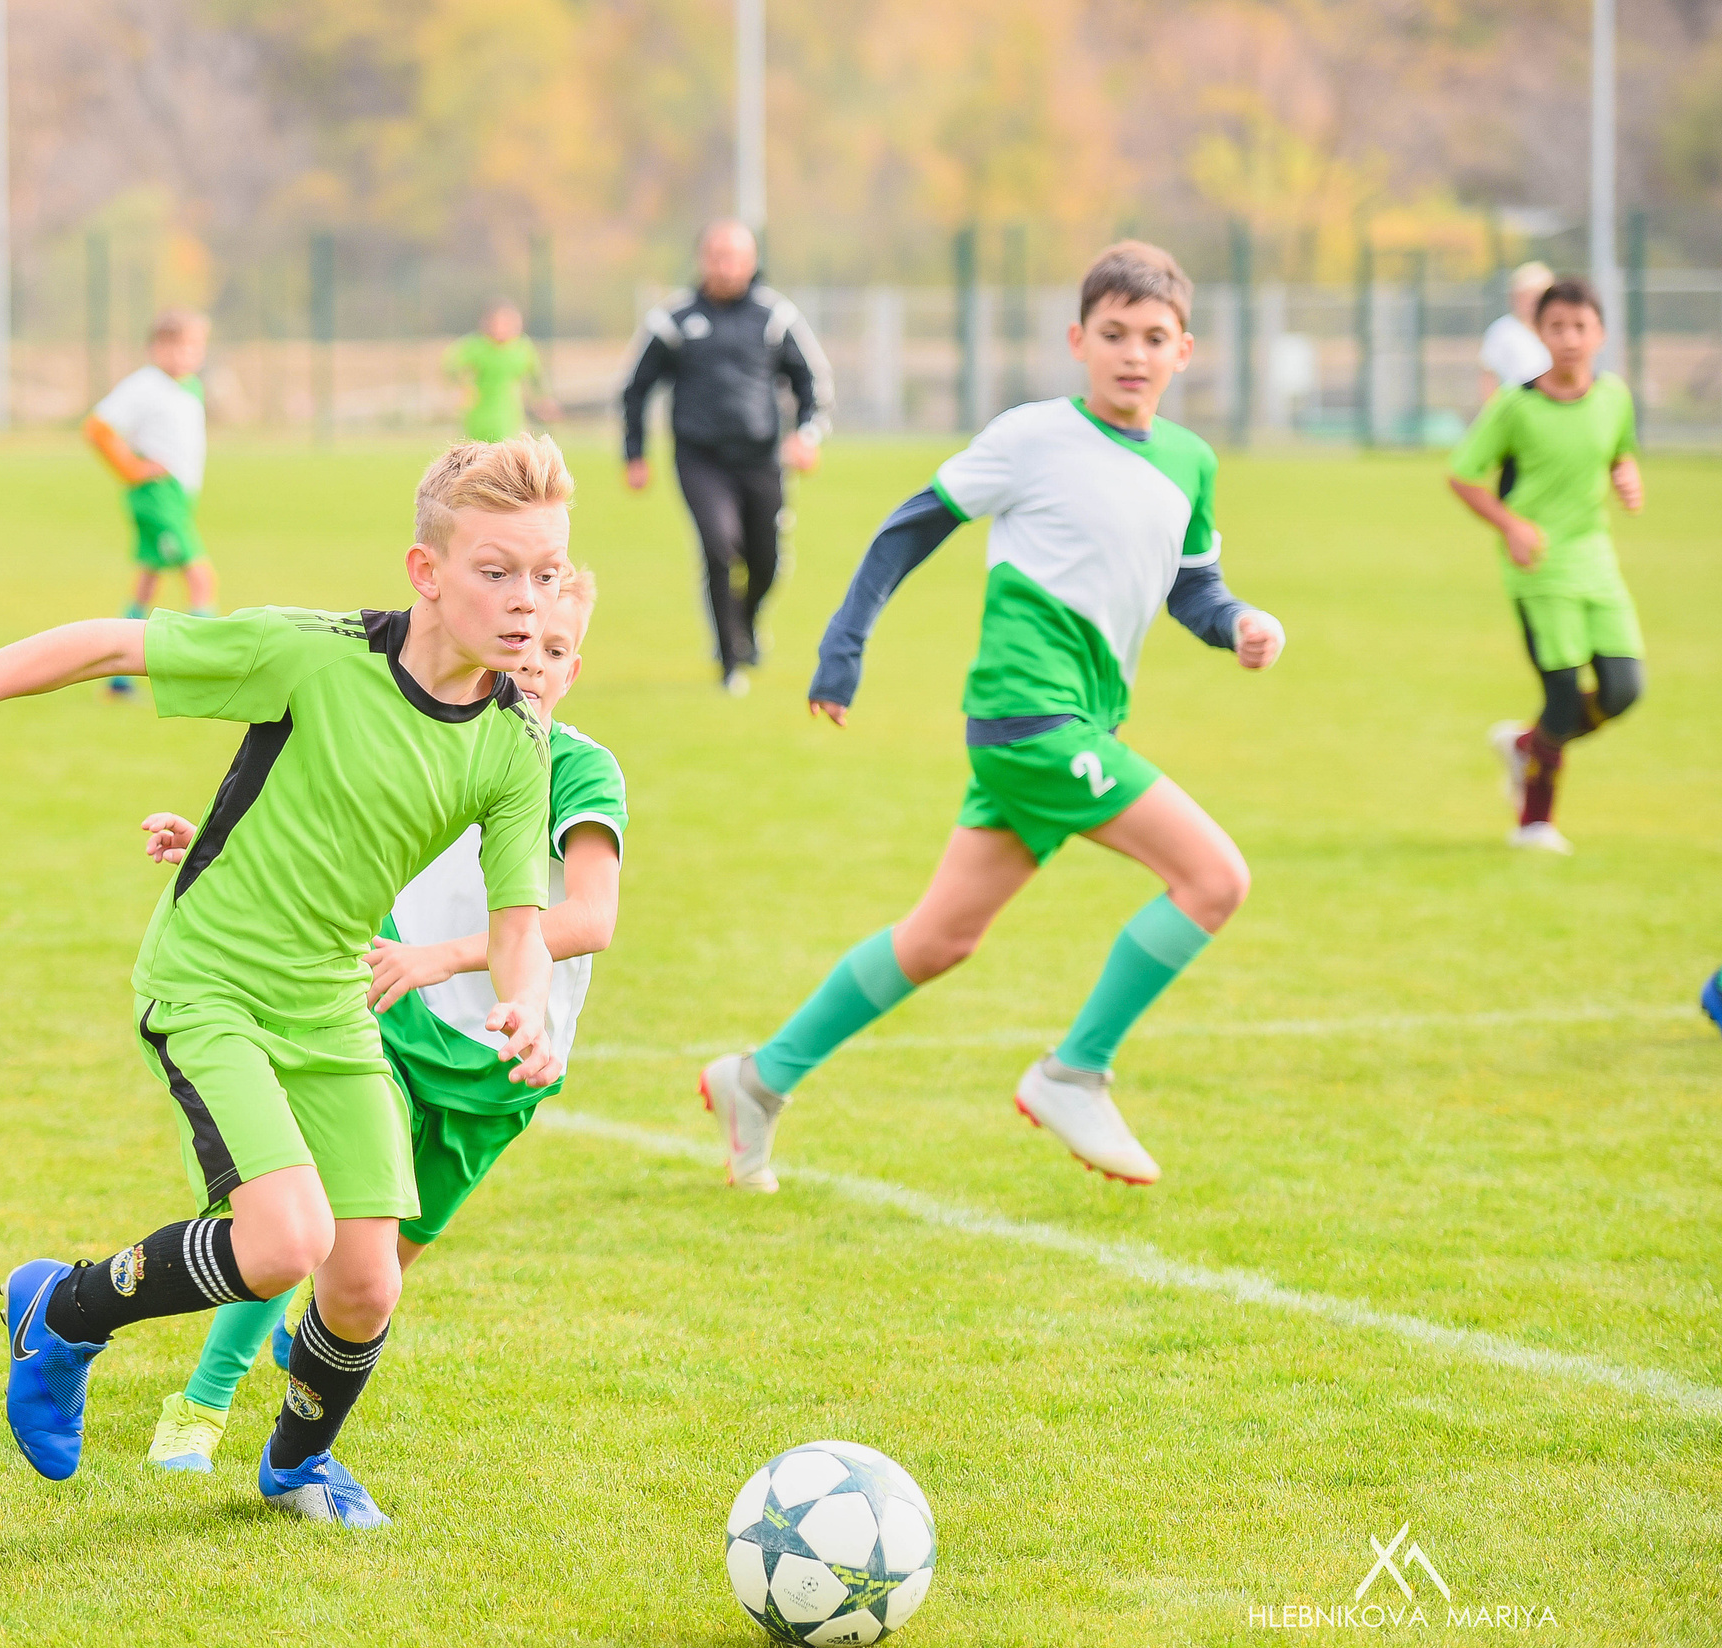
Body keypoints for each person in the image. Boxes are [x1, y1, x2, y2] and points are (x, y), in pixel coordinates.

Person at [0, 436, 576, 1528]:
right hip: (210, 982)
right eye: (496, 571)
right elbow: (105, 642)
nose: (524, 602)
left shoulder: (514, 738)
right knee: (282, 1242)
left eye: (546, 574)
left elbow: (519, 921)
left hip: (328, 1004)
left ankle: (297, 1464)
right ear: (426, 571)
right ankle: (63, 1308)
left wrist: (528, 1002)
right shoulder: (315, 656)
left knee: (365, 1283)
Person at [698, 242, 1285, 1191]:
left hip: (1083, 723)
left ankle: (758, 1081)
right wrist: (843, 647)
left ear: (1186, 351)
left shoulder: (1190, 461)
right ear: (1077, 340)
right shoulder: (1034, 436)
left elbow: (1196, 591)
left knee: (938, 940)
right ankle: (1074, 1072)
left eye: (1154, 337)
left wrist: (1241, 625)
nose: (1132, 353)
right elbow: (912, 524)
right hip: (1032, 719)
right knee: (1214, 877)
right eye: (1113, 334)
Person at [138, 571, 625, 1476]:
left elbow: (590, 919)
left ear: (575, 665)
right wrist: (210, 832)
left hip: (500, 1069)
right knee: (310, 1223)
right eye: (529, 642)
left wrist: (454, 962)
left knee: (371, 1277)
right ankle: (199, 1407)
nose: (538, 663)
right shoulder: (448, 725)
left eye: (558, 651)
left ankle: (300, 1393)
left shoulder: (576, 767)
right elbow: (331, 818)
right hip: (394, 1012)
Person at [1448, 276, 1644, 855]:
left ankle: (1526, 746)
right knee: (1563, 697)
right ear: (1539, 332)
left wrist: (1626, 474)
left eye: (1581, 327)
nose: (1570, 339)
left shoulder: (1614, 397)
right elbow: (1463, 474)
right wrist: (1511, 525)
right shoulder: (1516, 405)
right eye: (1556, 327)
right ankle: (1534, 823)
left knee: (1623, 691)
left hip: (1596, 561)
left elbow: (1618, 450)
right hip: (1539, 569)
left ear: (1601, 334)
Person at [620, 219, 833, 696]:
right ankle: (729, 662)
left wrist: (807, 436)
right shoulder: (673, 320)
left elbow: (812, 383)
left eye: (735, 254)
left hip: (760, 459)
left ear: (753, 260)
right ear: (701, 259)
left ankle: (746, 626)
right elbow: (635, 388)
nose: (725, 264)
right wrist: (634, 453)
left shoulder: (775, 316)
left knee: (767, 562)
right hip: (700, 459)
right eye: (716, 254)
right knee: (719, 547)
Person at [85, 310, 214, 696]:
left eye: (193, 347)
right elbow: (97, 427)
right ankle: (206, 668)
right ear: (155, 348)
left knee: (146, 583)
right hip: (158, 497)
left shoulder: (190, 387)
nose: (184, 355)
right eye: (175, 346)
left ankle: (118, 677)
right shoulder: (145, 385)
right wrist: (129, 467)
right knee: (200, 576)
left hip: (176, 497)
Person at [444, 299, 555, 443]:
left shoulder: (522, 348)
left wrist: (543, 400)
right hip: (479, 412)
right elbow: (451, 366)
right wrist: (464, 385)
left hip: (508, 413)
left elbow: (536, 376)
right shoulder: (476, 346)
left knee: (506, 451)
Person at [1478, 262, 1555, 400]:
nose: (1531, 301)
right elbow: (1488, 376)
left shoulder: (1557, 329)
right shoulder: (1501, 331)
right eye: (1525, 296)